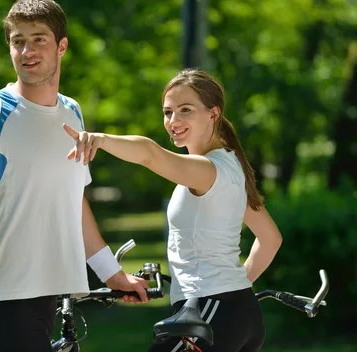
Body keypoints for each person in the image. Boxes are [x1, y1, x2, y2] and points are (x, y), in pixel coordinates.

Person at [0, 0, 148, 352]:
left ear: (62, 46)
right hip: (2, 295)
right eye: (18, 42)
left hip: (54, 296)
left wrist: (112, 273)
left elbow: (74, 202)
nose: (26, 51)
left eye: (38, 39)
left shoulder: (72, 113)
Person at [63, 69, 283, 352]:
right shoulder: (230, 166)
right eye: (168, 112)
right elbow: (271, 238)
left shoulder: (207, 169)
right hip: (235, 312)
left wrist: (100, 139)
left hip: (210, 312)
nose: (173, 121)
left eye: (185, 110)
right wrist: (233, 289)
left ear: (213, 114)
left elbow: (149, 154)